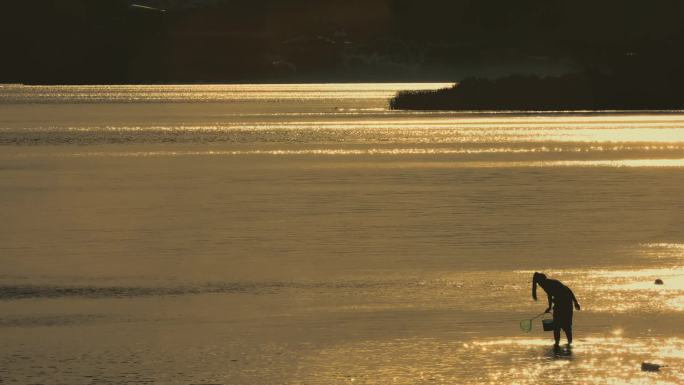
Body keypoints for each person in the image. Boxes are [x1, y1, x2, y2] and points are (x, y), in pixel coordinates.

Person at [532, 272, 580, 348]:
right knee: (559, 326)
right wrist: (550, 306)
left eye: (539, 282)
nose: (539, 284)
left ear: (542, 279)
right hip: (561, 303)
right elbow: (550, 294)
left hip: (565, 304)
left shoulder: (546, 283)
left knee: (564, 326)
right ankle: (561, 344)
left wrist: (575, 302)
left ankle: (565, 344)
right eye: (538, 282)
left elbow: (566, 291)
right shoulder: (546, 283)